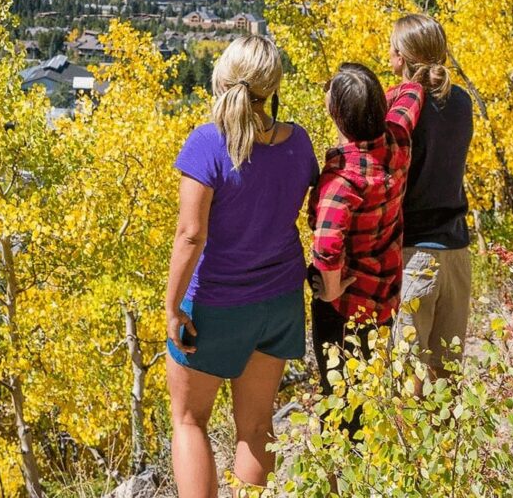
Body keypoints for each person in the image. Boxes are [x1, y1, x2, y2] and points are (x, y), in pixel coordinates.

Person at [164, 35, 317, 497]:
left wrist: (172, 307)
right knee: (256, 424)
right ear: (271, 86)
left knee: (190, 421)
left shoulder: (208, 143)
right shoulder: (299, 142)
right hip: (280, 301)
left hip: (216, 306)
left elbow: (191, 234)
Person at [308, 62, 424, 426]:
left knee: (340, 405)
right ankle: (373, 471)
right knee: (369, 392)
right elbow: (412, 93)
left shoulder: (341, 180)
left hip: (342, 308)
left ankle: (347, 474)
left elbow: (326, 247)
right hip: (384, 299)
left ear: (337, 115)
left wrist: (328, 292)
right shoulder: (398, 140)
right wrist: (373, 94)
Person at [390, 13, 474, 377]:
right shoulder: (461, 102)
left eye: (393, 48)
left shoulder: (398, 106)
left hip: (413, 256)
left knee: (408, 382)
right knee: (446, 381)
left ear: (403, 58)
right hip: (456, 252)